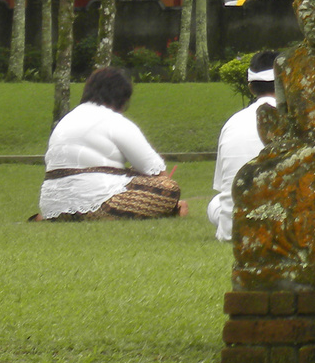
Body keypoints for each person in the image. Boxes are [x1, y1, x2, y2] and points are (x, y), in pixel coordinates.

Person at [36, 67, 186, 221]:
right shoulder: (113, 120)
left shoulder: (69, 118)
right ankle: (86, 214)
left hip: (51, 204)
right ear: (122, 97)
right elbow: (156, 170)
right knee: (169, 188)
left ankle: (62, 216)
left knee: (136, 174)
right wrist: (172, 202)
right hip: (97, 198)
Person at [208, 50, 279, 241]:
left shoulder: (232, 123)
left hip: (233, 230)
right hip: (286, 226)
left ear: (251, 87)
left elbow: (225, 188)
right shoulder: (298, 119)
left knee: (215, 204)